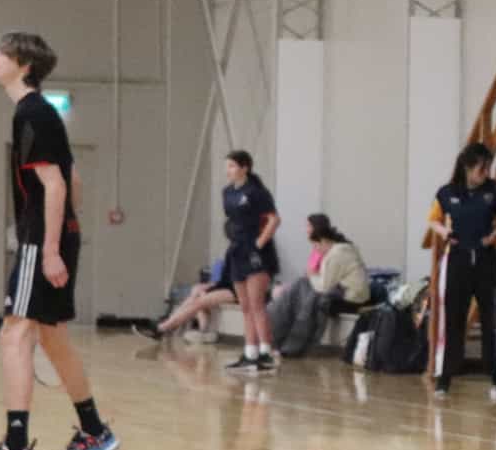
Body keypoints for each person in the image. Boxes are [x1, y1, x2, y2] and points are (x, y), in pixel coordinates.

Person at [0, 32, 118, 450]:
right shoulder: (40, 114)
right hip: (57, 235)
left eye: (3, 53)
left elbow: (56, 184)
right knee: (52, 337)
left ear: (24, 65)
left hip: (41, 241)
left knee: (14, 334)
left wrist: (48, 249)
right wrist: (66, 234)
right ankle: (94, 430)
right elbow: (74, 179)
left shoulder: (32, 113)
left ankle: (16, 448)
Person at [426, 142, 496, 400]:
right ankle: (445, 377)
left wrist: (493, 236)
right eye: (481, 168)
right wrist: (445, 233)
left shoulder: (494, 191)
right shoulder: (446, 193)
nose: (485, 173)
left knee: (490, 321)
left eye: (488, 168)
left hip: (486, 261)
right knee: (453, 320)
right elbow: (432, 220)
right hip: (458, 260)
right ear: (467, 166)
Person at [268, 215, 370, 358]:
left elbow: (324, 286)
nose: (315, 250)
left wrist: (311, 275)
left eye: (315, 246)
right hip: (342, 292)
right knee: (300, 287)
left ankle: (290, 346)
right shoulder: (338, 249)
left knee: (310, 298)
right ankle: (276, 339)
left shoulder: (337, 253)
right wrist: (310, 277)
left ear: (323, 241)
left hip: (351, 299)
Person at [219, 150, 280, 373]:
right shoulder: (227, 192)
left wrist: (259, 243)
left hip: (255, 253)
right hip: (237, 251)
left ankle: (266, 354)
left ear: (245, 168)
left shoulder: (256, 192)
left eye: (232, 166)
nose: (228, 170)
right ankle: (250, 353)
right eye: (227, 166)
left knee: (257, 304)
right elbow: (232, 220)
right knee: (244, 306)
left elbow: (274, 219)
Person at [132, 256, 233, 341]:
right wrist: (208, 287)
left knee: (198, 301)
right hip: (227, 287)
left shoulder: (239, 251)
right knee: (196, 292)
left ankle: (163, 328)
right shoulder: (232, 252)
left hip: (235, 291)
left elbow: (235, 281)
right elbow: (221, 281)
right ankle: (170, 325)